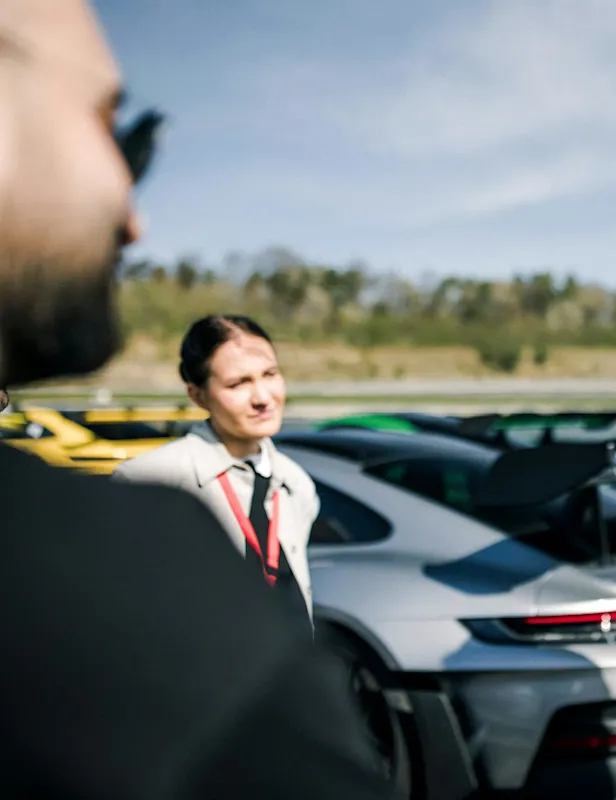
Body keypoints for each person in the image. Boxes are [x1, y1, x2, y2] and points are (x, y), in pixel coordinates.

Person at [0, 2, 389, 797]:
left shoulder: (298, 490)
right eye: (112, 125)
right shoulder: (133, 525)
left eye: (269, 375)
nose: (134, 218)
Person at [112, 315, 317, 633]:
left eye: (270, 374)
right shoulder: (149, 480)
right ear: (197, 395)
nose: (263, 398)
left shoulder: (295, 485)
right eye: (238, 384)